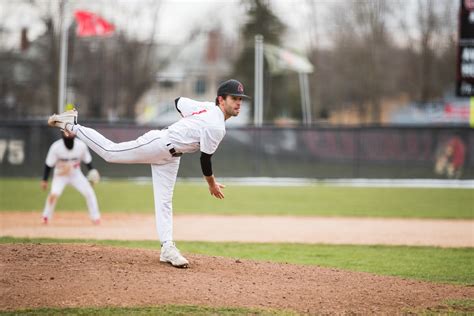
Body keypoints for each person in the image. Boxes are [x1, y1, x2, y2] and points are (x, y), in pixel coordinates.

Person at [47, 79, 250, 268]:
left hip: (171, 157)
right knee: (111, 152)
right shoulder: (216, 126)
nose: (238, 103)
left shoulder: (207, 107)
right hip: (160, 143)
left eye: (240, 99)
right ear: (221, 100)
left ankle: (167, 248)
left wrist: (191, 123)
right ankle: (71, 124)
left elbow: (179, 102)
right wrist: (212, 184)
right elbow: (205, 160)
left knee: (164, 202)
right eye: (234, 98)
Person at [41, 129, 101, 225]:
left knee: (89, 192)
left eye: (70, 131)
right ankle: (46, 216)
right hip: (60, 175)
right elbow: (48, 164)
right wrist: (44, 180)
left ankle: (96, 217)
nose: (69, 133)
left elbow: (87, 161)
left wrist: (92, 171)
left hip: (76, 174)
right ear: (62, 133)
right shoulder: (56, 147)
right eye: (66, 131)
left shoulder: (81, 146)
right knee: (54, 194)